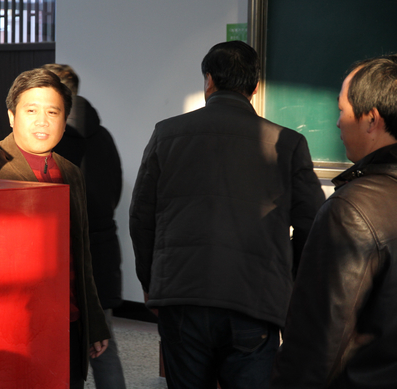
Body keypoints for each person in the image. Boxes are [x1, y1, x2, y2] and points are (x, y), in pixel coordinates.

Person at [129, 41, 325, 389]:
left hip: (181, 295)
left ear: (209, 80)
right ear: (255, 87)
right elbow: (313, 226)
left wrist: (151, 283)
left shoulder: (166, 134)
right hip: (255, 299)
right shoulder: (288, 144)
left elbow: (141, 218)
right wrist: (286, 278)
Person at [0, 67, 110, 388]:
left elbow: (81, 256)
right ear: (11, 116)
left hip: (66, 319)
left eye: (52, 112)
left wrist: (93, 323)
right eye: (31, 111)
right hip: (8, 326)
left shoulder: (71, 171)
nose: (42, 121)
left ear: (64, 120)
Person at [271, 56, 397, 388]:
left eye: (342, 111)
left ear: (371, 120)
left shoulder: (352, 209)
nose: (338, 123)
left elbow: (318, 342)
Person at [43, 63, 126, 389]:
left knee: (60, 348)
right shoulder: (102, 136)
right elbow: (114, 191)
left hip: (61, 254)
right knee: (103, 344)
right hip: (102, 251)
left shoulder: (51, 142)